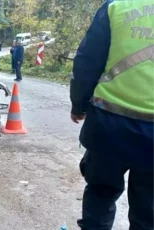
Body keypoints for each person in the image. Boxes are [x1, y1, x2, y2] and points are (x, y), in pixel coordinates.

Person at [70, 1, 154, 229]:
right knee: (148, 213)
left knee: (100, 196)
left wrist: (79, 104)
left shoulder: (116, 6)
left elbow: (87, 60)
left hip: (109, 123)